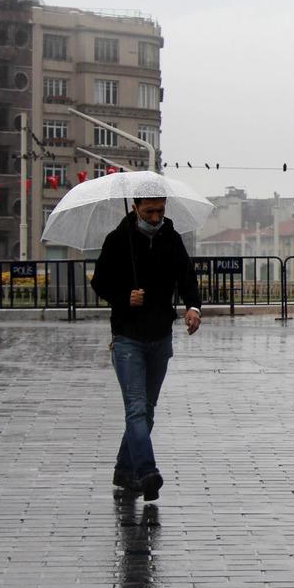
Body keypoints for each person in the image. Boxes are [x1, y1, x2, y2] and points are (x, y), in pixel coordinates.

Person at [91, 196, 201, 501]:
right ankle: (147, 471)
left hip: (160, 337)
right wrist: (125, 297)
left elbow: (187, 276)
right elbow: (99, 282)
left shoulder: (171, 238)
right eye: (149, 211)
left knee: (147, 412)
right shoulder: (118, 240)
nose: (155, 218)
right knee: (136, 409)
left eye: (160, 211)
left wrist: (193, 308)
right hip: (127, 338)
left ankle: (123, 470)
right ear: (135, 208)